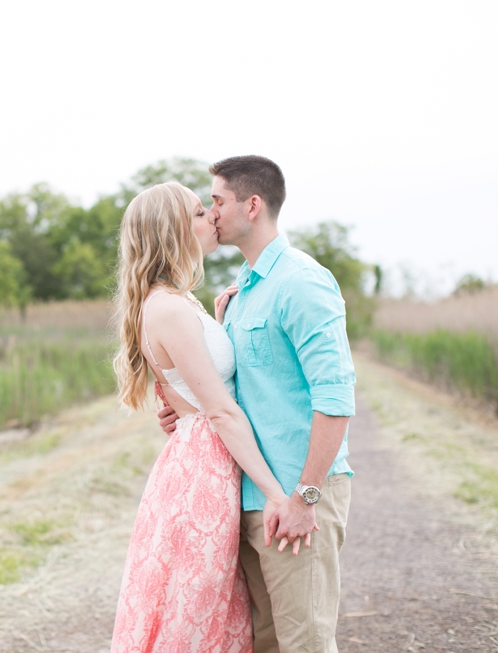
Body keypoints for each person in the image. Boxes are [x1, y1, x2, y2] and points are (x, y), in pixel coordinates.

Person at [157, 156, 356, 653]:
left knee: (305, 641)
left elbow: (335, 397)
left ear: (252, 204)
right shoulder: (239, 293)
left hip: (295, 492)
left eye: (217, 202)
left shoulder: (302, 282)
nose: (212, 214)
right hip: (246, 498)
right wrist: (186, 413)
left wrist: (305, 498)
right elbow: (239, 393)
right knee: (263, 642)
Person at [110, 181, 308, 653]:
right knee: (199, 602)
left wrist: (218, 325)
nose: (212, 218)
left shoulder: (176, 302)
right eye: (200, 212)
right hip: (204, 470)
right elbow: (219, 409)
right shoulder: (169, 309)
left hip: (202, 459)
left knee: (213, 601)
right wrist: (278, 495)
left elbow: (196, 390)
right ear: (174, 229)